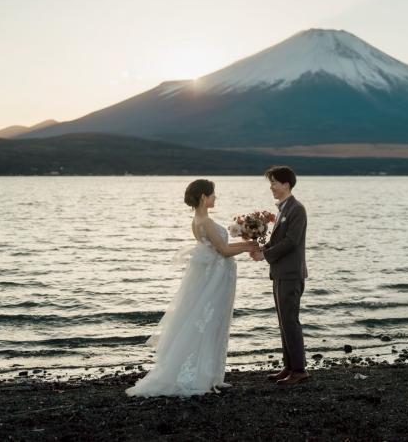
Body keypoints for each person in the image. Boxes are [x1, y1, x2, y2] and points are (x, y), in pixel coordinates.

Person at [126, 179, 257, 397]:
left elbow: (218, 247)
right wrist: (245, 248)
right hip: (215, 278)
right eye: (213, 194)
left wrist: (247, 245)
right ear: (204, 197)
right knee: (209, 322)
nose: (216, 197)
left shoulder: (199, 218)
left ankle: (212, 375)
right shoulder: (205, 221)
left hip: (215, 275)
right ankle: (202, 377)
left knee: (213, 322)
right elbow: (223, 251)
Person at [250, 166, 310, 385]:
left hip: (291, 274)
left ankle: (300, 370)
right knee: (283, 321)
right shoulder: (284, 209)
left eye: (274, 183)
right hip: (280, 273)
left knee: (290, 321)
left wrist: (265, 256)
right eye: (270, 183)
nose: (271, 187)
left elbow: (291, 241)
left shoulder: (297, 209)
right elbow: (278, 241)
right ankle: (289, 366)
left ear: (286, 185)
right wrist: (261, 248)